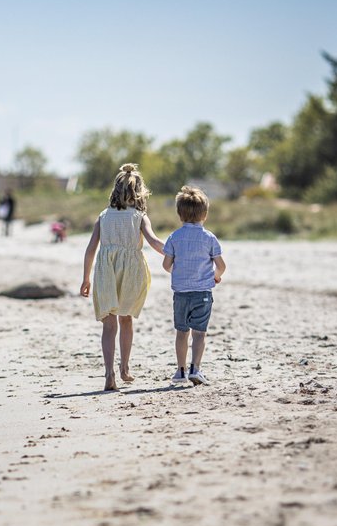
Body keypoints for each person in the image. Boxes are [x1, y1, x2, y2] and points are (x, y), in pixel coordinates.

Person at [79, 164, 166, 391]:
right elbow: (155, 242)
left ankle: (109, 374)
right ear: (139, 193)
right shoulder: (139, 217)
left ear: (115, 191)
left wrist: (86, 278)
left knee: (109, 324)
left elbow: (90, 249)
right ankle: (124, 368)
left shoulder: (103, 216)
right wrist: (176, 252)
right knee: (125, 319)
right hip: (131, 272)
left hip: (106, 270)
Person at [162, 185, 227, 386]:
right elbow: (221, 266)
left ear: (179, 214)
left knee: (182, 332)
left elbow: (166, 265)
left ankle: (180, 371)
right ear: (205, 214)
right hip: (202, 294)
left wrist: (180, 274)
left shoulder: (174, 237)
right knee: (199, 333)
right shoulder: (209, 238)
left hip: (181, 294)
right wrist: (216, 277)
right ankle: (195, 369)